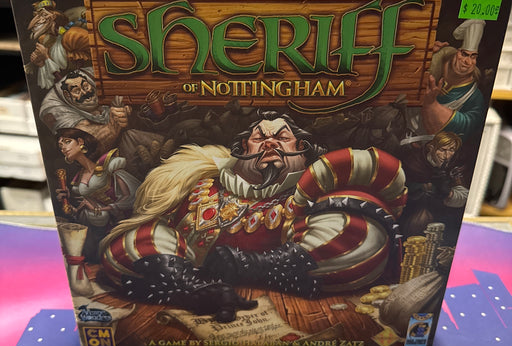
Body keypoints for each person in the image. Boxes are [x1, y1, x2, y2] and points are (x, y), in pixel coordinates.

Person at [100, 111, 407, 323]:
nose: (270, 142)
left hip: (301, 314)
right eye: (259, 137)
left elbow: (361, 237)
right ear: (242, 150)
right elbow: (134, 242)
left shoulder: (318, 193)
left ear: (302, 150)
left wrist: (253, 266)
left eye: (282, 137)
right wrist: (192, 290)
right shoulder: (195, 189)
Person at [56, 128, 140, 260]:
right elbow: (85, 212)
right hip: (104, 232)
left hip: (130, 224)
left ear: (80, 142)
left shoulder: (107, 165)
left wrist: (102, 209)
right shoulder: (77, 181)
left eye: (67, 142)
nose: (63, 148)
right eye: (60, 145)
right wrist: (67, 205)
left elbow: (131, 196)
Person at [421, 19, 487, 141]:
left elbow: (467, 125)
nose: (468, 62)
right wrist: (424, 54)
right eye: (464, 54)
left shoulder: (474, 97)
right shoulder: (436, 64)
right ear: (457, 52)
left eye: (473, 57)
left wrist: (431, 104)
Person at [400, 131, 467, 241]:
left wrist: (448, 192)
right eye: (442, 150)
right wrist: (429, 188)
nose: (447, 156)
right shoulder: (415, 162)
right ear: (431, 148)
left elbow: (463, 197)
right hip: (412, 211)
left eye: (451, 150)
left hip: (442, 216)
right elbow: (403, 188)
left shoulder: (454, 165)